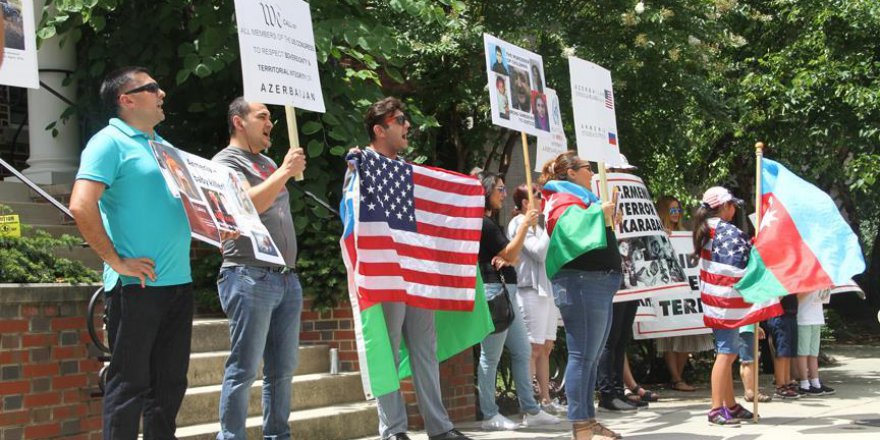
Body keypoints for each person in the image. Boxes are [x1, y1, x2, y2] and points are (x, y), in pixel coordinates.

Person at [69, 66, 222, 439]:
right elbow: (81, 205)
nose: (162, 93)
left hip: (177, 285)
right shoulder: (108, 142)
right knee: (128, 387)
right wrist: (115, 261)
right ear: (127, 99)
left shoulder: (163, 147)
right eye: (153, 88)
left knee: (169, 387)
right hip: (135, 287)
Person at [349, 97, 471, 440]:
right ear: (379, 129)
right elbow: (352, 217)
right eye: (399, 120)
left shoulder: (411, 171)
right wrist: (355, 172)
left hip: (417, 274)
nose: (407, 126)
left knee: (424, 352)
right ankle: (393, 430)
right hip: (386, 274)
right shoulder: (361, 166)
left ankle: (440, 427)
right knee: (385, 350)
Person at [210, 97, 307, 439]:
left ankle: (278, 434)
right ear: (239, 121)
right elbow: (244, 206)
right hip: (248, 274)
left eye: (271, 118)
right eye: (262, 116)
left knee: (283, 370)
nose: (270, 124)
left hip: (285, 279)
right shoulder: (224, 162)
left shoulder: (266, 161)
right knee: (245, 368)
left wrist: (280, 170)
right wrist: (284, 171)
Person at [539, 151, 621, 440]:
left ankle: (587, 418)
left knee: (592, 356)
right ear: (571, 173)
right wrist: (600, 213)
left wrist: (605, 214)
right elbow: (567, 229)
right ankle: (580, 426)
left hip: (596, 283)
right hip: (583, 283)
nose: (593, 173)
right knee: (582, 356)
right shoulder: (561, 198)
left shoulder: (583, 199)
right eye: (588, 168)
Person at [476, 173, 558, 431]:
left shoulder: (491, 223)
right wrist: (523, 229)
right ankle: (489, 415)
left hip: (506, 292)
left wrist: (510, 255)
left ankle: (531, 410)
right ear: (487, 191)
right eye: (499, 189)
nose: (503, 193)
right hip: (495, 292)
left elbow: (514, 258)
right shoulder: (485, 224)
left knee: (523, 351)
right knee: (491, 356)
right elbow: (512, 253)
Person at [694, 186, 755, 426]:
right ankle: (715, 408)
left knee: (727, 352)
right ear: (725, 207)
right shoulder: (725, 231)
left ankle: (729, 404)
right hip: (724, 302)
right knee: (727, 352)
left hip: (716, 301)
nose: (734, 210)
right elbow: (742, 262)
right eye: (732, 205)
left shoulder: (708, 228)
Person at [507, 183, 566, 415]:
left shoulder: (539, 227)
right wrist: (551, 227)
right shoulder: (517, 223)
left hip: (547, 291)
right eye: (538, 196)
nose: (543, 200)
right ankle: (528, 404)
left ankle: (545, 400)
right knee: (533, 348)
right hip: (530, 290)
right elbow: (539, 253)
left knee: (547, 347)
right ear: (524, 202)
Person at [654, 195, 714, 391]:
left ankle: (678, 378)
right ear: (664, 211)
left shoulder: (684, 234)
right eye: (672, 210)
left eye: (678, 209)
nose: (676, 213)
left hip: (686, 293)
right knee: (669, 339)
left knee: (687, 336)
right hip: (669, 294)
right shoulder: (657, 232)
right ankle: (676, 378)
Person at [796, 289, 835, 396]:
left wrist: (826, 289)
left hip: (817, 318)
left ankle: (815, 382)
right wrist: (811, 288)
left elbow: (824, 299)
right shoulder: (804, 280)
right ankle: (804, 383)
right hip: (803, 319)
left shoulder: (820, 280)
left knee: (814, 353)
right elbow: (797, 297)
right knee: (803, 353)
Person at [767, 294, 801, 399]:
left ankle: (787, 382)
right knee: (782, 352)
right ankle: (780, 385)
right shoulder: (777, 279)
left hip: (791, 315)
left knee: (788, 352)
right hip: (780, 316)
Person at [738, 324, 771, 402]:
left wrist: (756, 326)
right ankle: (751, 392)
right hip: (745, 328)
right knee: (748, 361)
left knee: (747, 361)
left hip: (747, 327)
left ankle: (750, 391)